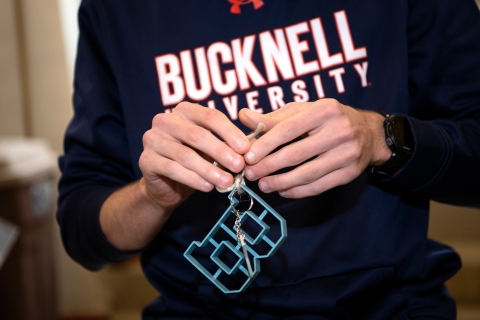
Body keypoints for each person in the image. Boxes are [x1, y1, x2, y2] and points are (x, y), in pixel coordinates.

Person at [57, 0, 480, 318]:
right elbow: (83, 234)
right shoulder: (113, 12)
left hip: (393, 308)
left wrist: (380, 138)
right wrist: (153, 197)